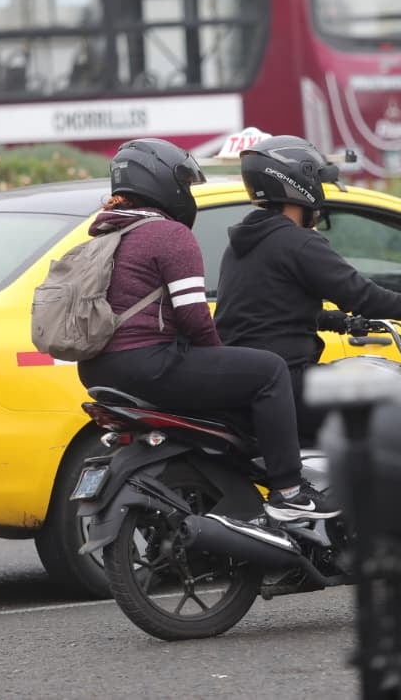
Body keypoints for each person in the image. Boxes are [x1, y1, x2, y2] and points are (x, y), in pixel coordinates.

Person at [76, 138, 339, 522]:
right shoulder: (169, 235)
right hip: (149, 363)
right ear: (161, 183)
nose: (186, 193)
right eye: (182, 183)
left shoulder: (108, 233)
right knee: (267, 370)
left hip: (98, 368)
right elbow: (194, 316)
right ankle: (290, 492)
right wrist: (219, 356)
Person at [214, 134, 401, 446]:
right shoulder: (299, 243)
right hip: (290, 383)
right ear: (299, 184)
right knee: (396, 402)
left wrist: (337, 321)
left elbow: (268, 310)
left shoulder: (242, 243)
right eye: (318, 182)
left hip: (248, 382)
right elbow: (362, 295)